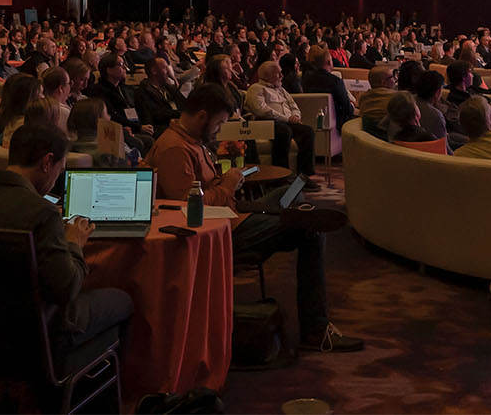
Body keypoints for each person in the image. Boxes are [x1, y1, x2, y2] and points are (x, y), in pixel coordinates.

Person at [145, 85, 363, 352]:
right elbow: (187, 209)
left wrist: (227, 182)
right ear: (202, 116)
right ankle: (316, 329)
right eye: (219, 123)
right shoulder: (175, 149)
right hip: (223, 230)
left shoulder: (191, 141)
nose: (219, 129)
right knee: (310, 232)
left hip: (232, 213)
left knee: (290, 190)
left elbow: (205, 189)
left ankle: (289, 216)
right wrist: (227, 185)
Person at [0, 121, 134, 354]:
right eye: (60, 168)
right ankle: (87, 382)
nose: (56, 178)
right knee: (123, 300)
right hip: (36, 334)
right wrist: (74, 243)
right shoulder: (41, 214)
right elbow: (66, 290)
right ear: (47, 162)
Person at [245, 61, 319, 186]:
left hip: (287, 122)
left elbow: (293, 105)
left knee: (307, 131)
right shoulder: (256, 88)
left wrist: (295, 116)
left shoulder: (282, 90)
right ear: (267, 76)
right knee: (284, 132)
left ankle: (303, 176)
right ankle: (281, 175)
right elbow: (262, 110)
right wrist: (287, 118)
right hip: (265, 123)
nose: (281, 76)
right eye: (277, 73)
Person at [89, 53, 153, 154]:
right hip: (119, 129)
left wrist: (144, 124)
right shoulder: (99, 91)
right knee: (146, 141)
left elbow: (138, 108)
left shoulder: (123, 88)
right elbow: (112, 115)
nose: (125, 68)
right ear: (109, 70)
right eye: (121, 64)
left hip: (133, 125)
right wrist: (138, 127)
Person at [301, 46, 356, 133]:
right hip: (337, 125)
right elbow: (347, 109)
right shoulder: (335, 81)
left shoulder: (306, 80)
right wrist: (352, 106)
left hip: (310, 123)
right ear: (329, 62)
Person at [132, 57, 185, 135]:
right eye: (165, 68)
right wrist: (179, 114)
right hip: (163, 128)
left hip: (179, 122)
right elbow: (156, 115)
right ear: (154, 71)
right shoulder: (143, 92)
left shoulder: (169, 88)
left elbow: (185, 103)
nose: (168, 72)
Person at [355, 66, 397, 138]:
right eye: (392, 77)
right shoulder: (396, 98)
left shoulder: (364, 98)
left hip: (369, 139)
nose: (395, 79)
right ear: (383, 82)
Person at [41, 67, 73, 131]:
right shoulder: (64, 112)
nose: (70, 86)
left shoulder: (38, 106)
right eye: (69, 83)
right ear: (61, 88)